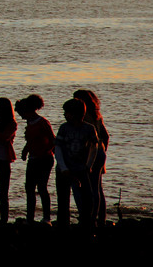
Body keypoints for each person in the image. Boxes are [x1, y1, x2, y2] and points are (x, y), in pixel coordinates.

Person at [54, 97, 99, 227]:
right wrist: (63, 168)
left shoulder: (89, 128)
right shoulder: (63, 128)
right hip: (63, 171)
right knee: (63, 200)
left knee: (87, 199)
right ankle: (63, 224)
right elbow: (58, 148)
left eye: (66, 112)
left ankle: (87, 224)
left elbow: (94, 147)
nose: (64, 115)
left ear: (74, 114)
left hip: (81, 169)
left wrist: (89, 165)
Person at [15, 95, 55, 224]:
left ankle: (47, 217)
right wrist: (25, 150)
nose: (21, 116)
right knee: (29, 188)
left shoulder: (42, 122)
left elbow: (53, 141)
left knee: (42, 187)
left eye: (21, 113)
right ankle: (30, 218)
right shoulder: (30, 122)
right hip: (33, 159)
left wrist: (43, 151)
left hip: (44, 159)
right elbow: (31, 140)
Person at [74, 89, 109, 226]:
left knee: (89, 188)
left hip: (90, 154)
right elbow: (105, 136)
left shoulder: (84, 117)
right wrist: (102, 150)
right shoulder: (97, 115)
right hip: (100, 152)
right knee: (97, 188)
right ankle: (100, 219)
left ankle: (90, 218)